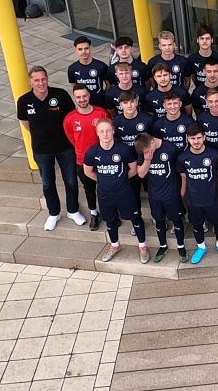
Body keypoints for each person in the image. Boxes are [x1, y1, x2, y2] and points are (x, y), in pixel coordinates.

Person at [17, 66, 81, 231]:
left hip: (65, 147)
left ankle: (73, 210)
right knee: (47, 184)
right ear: (30, 82)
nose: (41, 83)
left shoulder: (60, 95)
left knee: (71, 181)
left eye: (43, 79)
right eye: (36, 80)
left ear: (47, 78)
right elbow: (26, 123)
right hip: (42, 150)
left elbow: (71, 118)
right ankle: (54, 213)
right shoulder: (24, 101)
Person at [83, 118, 149, 264]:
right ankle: (115, 245)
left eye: (108, 130)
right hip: (105, 193)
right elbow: (87, 171)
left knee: (135, 218)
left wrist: (120, 180)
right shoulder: (92, 152)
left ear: (113, 131)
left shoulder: (123, 149)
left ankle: (143, 247)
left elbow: (133, 169)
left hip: (124, 192)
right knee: (110, 221)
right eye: (101, 131)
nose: (105, 134)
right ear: (97, 133)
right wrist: (102, 181)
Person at [178, 124, 218, 264]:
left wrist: (209, 182)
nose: (196, 141)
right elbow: (183, 175)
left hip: (213, 198)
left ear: (204, 137)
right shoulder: (183, 157)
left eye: (199, 138)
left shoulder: (214, 155)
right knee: (197, 225)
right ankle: (201, 247)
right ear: (188, 139)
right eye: (193, 138)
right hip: (194, 200)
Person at [63, 83, 110, 230]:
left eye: (84, 96)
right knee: (89, 189)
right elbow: (72, 139)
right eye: (78, 97)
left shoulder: (101, 113)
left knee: (106, 187)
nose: (82, 99)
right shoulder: (70, 118)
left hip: (103, 159)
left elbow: (108, 132)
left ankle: (109, 213)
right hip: (83, 161)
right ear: (74, 98)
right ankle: (94, 213)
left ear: (89, 96)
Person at [135, 132, 187, 263]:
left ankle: (181, 247)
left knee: (177, 220)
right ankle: (163, 246)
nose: (148, 153)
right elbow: (141, 174)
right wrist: (147, 160)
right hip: (154, 195)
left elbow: (182, 171)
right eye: (145, 152)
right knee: (159, 220)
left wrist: (182, 188)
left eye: (148, 150)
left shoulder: (170, 149)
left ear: (152, 142)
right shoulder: (144, 153)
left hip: (171, 194)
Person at [113, 90, 152, 202]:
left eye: (132, 102)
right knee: (133, 192)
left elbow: (152, 140)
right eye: (125, 103)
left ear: (137, 102)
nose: (129, 105)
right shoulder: (116, 122)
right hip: (128, 162)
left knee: (150, 189)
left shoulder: (147, 119)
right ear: (120, 105)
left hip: (145, 160)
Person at [68, 36, 109, 108]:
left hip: (101, 105)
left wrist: (101, 96)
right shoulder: (72, 69)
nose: (83, 52)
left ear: (90, 48)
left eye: (86, 48)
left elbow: (108, 85)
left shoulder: (101, 66)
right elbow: (75, 88)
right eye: (80, 49)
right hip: (84, 106)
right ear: (76, 50)